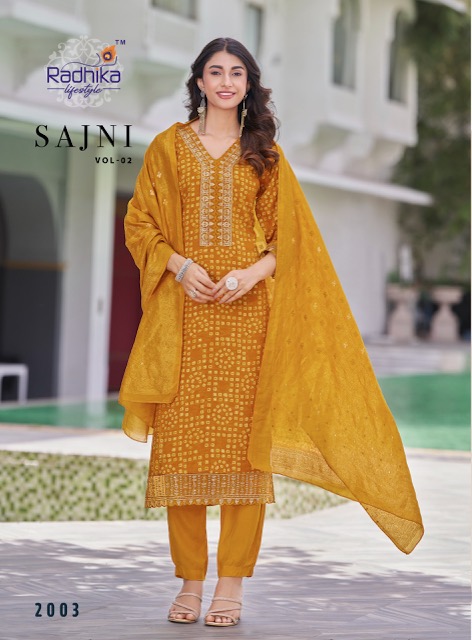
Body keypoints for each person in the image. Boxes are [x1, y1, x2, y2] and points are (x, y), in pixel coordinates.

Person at [119, 37, 424, 628]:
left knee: (244, 456)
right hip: (184, 318)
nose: (225, 82)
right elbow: (140, 223)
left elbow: (290, 242)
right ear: (199, 82)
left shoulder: (265, 155)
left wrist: (248, 275)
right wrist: (179, 267)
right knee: (183, 453)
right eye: (215, 71)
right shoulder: (167, 148)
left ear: (248, 85)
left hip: (247, 320)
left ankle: (230, 584)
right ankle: (189, 581)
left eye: (236, 73)